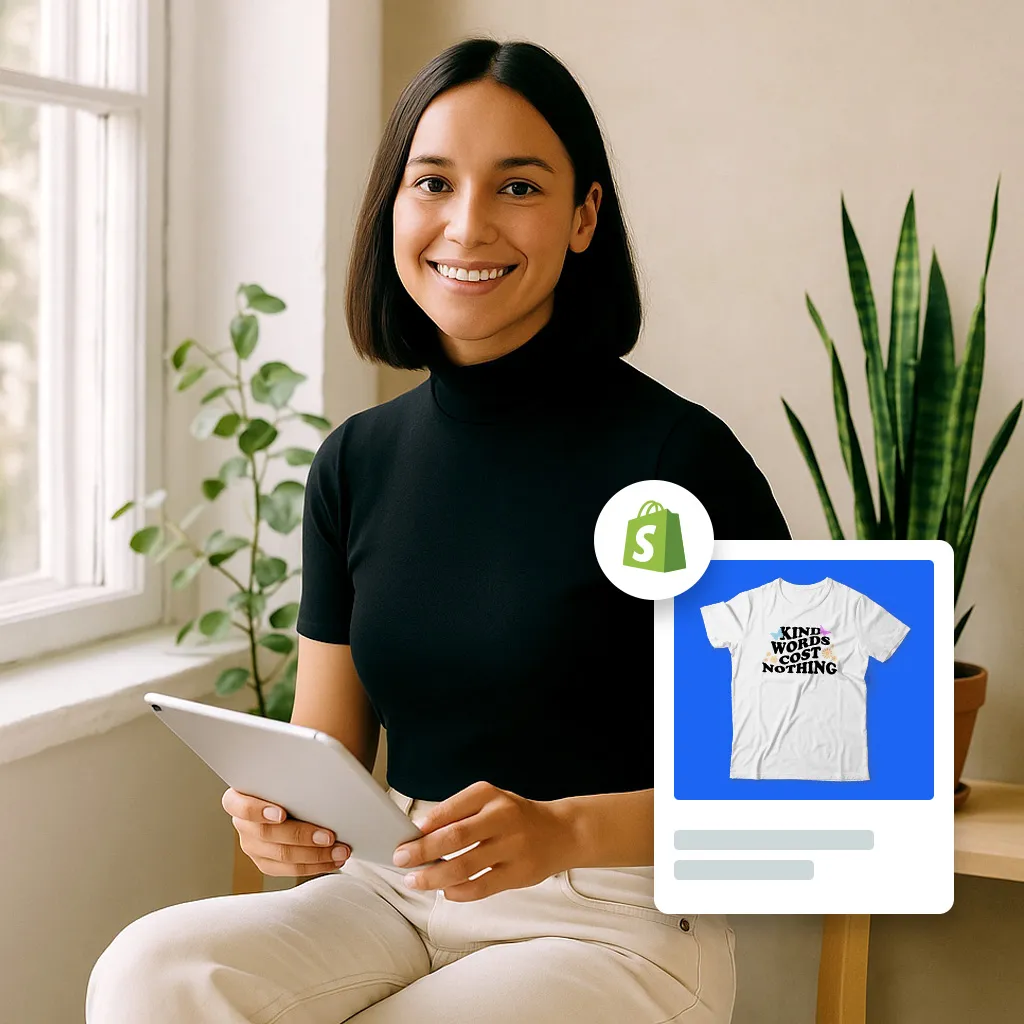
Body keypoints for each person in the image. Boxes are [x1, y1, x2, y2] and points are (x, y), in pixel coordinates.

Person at [87, 37, 790, 1023]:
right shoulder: (356, 462)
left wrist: (562, 831)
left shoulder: (682, 459)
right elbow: (326, 750)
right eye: (433, 182)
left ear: (584, 216)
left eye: (517, 187)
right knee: (151, 967)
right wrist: (278, 823)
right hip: (395, 886)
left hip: (615, 921)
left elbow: (804, 787)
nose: (467, 223)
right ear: (393, 211)